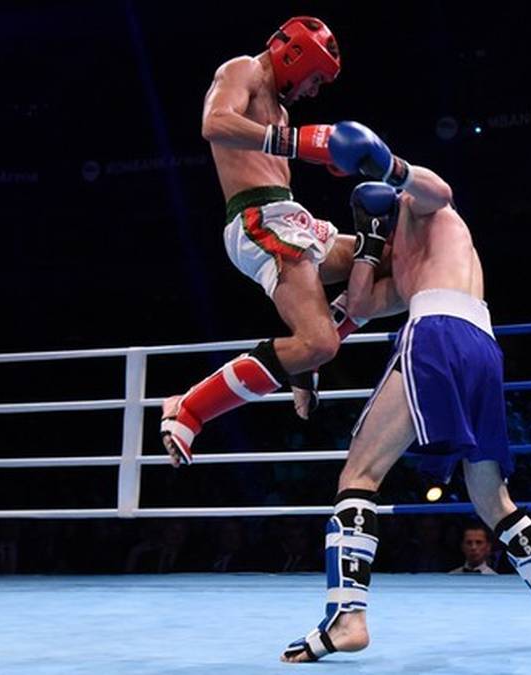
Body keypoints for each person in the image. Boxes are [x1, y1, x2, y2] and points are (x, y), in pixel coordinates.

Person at [281, 123, 531, 662]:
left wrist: (390, 168)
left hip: (437, 334)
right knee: (490, 500)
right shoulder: (402, 263)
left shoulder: (427, 207)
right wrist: (369, 243)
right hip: (481, 346)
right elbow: (358, 307)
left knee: (358, 476)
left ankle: (346, 618)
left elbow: (438, 190)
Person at [161, 17, 375, 466]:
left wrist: (324, 155)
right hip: (257, 218)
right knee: (321, 343)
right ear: (296, 58)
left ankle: (302, 362)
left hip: (293, 216)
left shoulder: (281, 111)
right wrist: (293, 142)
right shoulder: (242, 70)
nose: (313, 91)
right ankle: (189, 408)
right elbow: (214, 123)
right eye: (316, 79)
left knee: (382, 259)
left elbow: (280, 150)